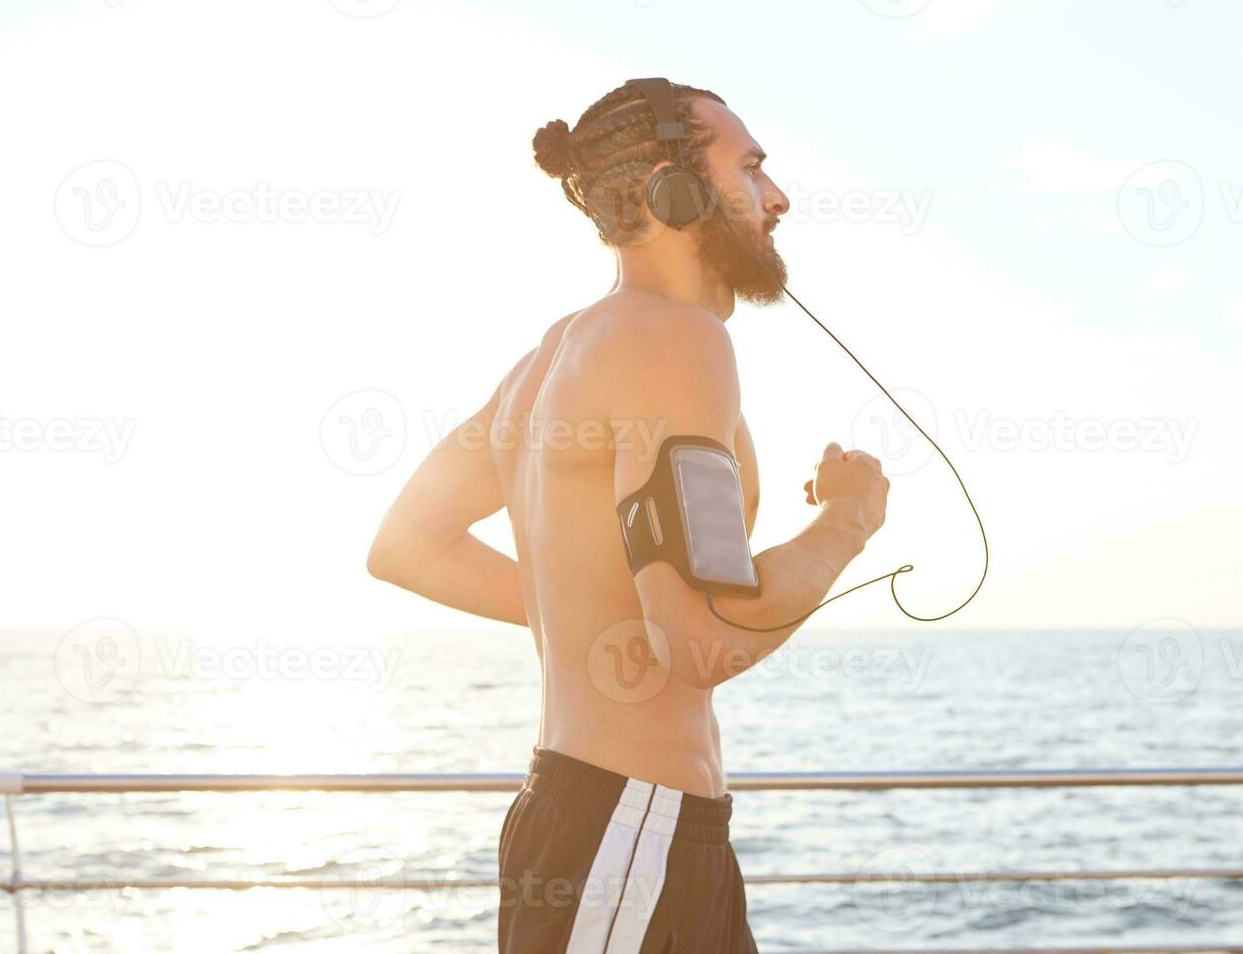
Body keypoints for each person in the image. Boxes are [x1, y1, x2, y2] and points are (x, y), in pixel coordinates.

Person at [368, 78, 890, 953]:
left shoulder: (550, 358)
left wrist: (585, 602)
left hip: (611, 825)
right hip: (632, 834)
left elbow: (408, 546)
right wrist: (849, 522)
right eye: (752, 168)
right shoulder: (674, 342)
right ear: (671, 187)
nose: (777, 197)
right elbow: (703, 642)